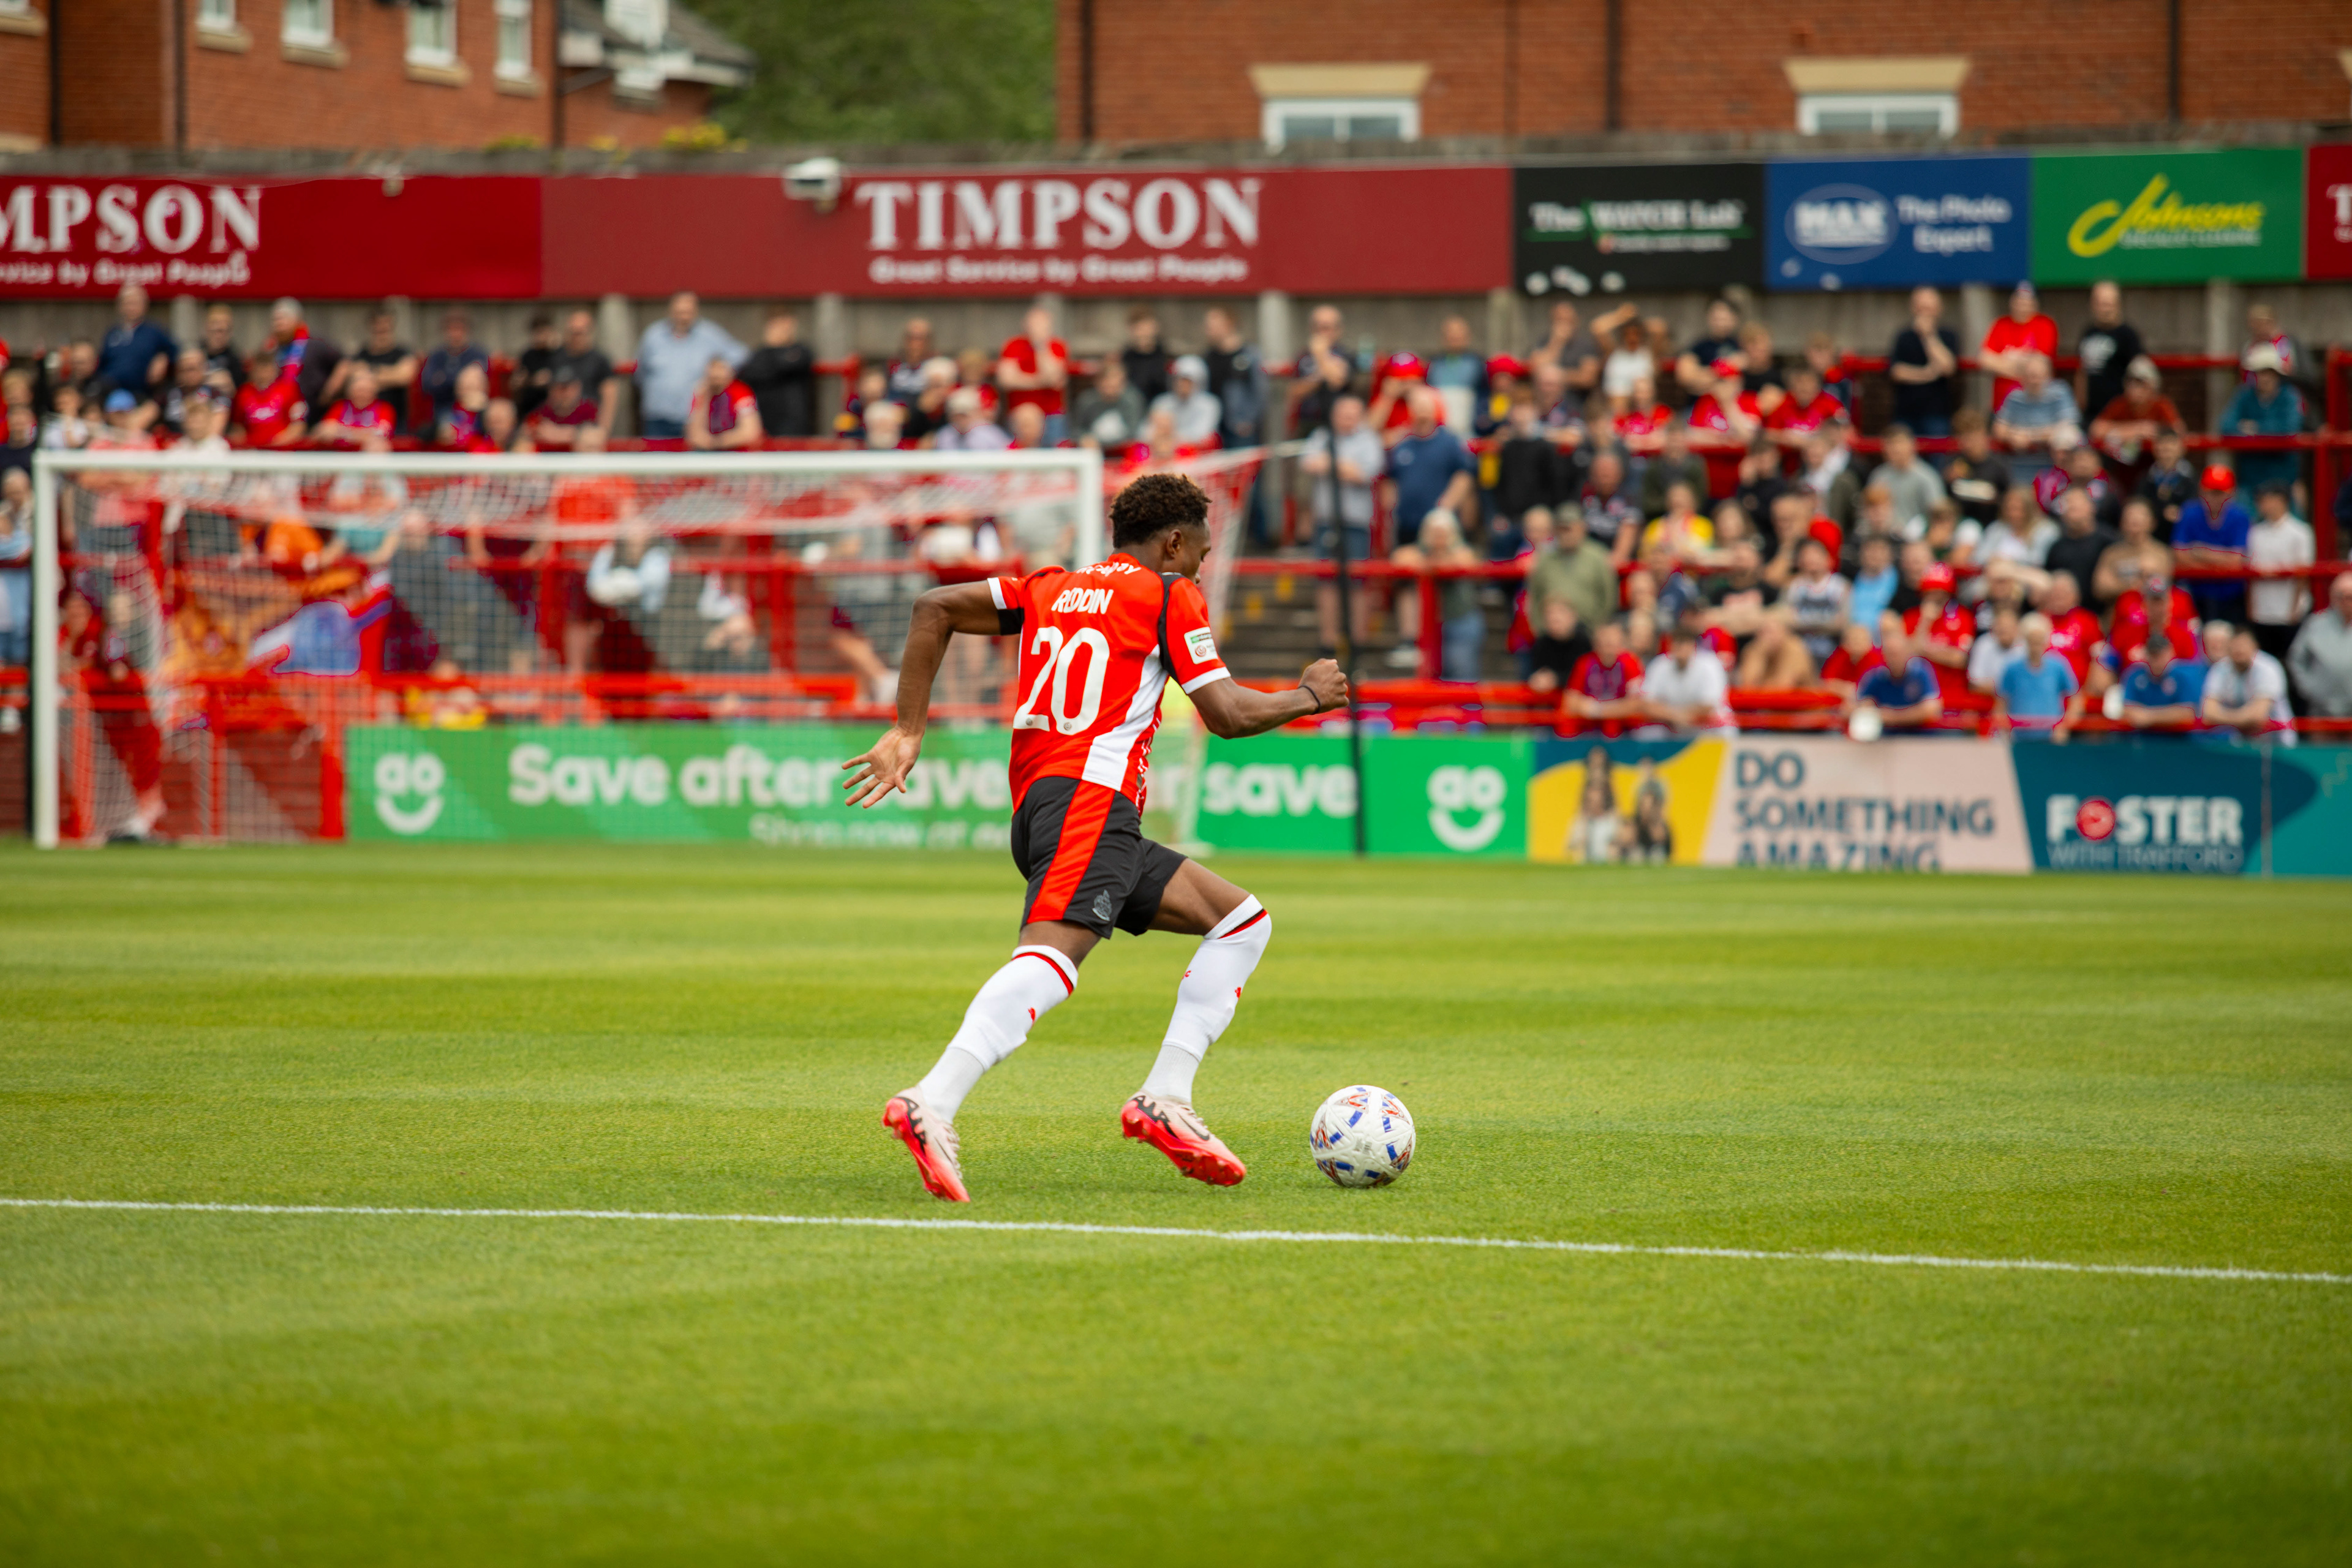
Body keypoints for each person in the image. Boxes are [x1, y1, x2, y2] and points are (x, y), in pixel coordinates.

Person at [846, 473, 1347, 1203]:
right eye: (1201, 552)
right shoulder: (1170, 594)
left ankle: (1166, 1098)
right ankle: (934, 1098)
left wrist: (908, 727)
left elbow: (933, 607)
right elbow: (1228, 714)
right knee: (1051, 961)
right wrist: (1310, 698)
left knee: (1240, 921)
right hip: (1091, 799)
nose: (1202, 566)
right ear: (1173, 542)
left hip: (1045, 805)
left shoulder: (1049, 586)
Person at [1298, 394, 1384, 656]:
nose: (1347, 420)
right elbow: (1308, 463)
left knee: (1358, 582)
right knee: (1326, 582)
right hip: (1327, 521)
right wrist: (1344, 467)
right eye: (1343, 414)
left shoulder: (1369, 440)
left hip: (1357, 522)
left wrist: (1331, 464)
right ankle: (1328, 640)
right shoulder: (1322, 437)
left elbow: (1366, 473)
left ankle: (1358, 640)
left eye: (1352, 414)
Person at [635, 292, 745, 440]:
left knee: (693, 462)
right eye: (680, 312)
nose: (684, 317)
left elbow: (740, 355)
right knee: (657, 461)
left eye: (688, 312)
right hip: (657, 419)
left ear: (695, 312)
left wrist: (718, 376)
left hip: (694, 419)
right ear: (671, 311)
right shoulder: (653, 336)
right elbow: (640, 374)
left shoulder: (709, 335)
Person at [1408, 509, 1487, 680]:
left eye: (1443, 533)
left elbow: (1465, 561)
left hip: (1461, 621)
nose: (1439, 538)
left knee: (1462, 677)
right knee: (1432, 677)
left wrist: (1433, 562)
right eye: (1435, 533)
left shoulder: (1462, 551)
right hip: (1432, 626)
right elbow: (1400, 557)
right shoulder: (1423, 552)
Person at [2220, 346, 2305, 500]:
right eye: (2260, 372)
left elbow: (2289, 429)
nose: (2265, 377)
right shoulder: (2244, 396)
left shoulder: (2290, 397)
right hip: (2250, 481)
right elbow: (2226, 426)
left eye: (2270, 372)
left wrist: (2255, 429)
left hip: (2283, 483)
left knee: (2293, 522)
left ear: (2278, 375)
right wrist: (2265, 432)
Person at [2244, 483, 2315, 668]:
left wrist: (2294, 609)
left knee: (2292, 662)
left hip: (2289, 612)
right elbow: (2250, 572)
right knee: (2264, 661)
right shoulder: (2256, 532)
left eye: (2267, 500)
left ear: (2281, 501)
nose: (2263, 505)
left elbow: (2303, 573)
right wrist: (2251, 606)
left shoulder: (2301, 532)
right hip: (2262, 611)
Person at [2174, 465, 2252, 625]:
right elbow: (2179, 554)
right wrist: (2222, 558)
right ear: (2202, 491)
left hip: (2231, 595)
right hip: (2196, 592)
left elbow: (2237, 560)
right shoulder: (2190, 512)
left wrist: (2201, 552)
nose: (2215, 497)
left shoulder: (2240, 516)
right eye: (2211, 491)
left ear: (2231, 494)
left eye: (2221, 492)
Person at [1526, 505, 1618, 638]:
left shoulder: (1598, 557)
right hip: (1550, 635)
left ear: (1582, 528)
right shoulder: (1545, 559)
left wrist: (1598, 629)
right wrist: (1540, 629)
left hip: (1589, 634)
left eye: (1570, 528)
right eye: (1561, 529)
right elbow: (1535, 597)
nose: (1566, 534)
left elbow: (1609, 597)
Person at [1637, 616, 1735, 736]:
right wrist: (1675, 716)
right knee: (1649, 732)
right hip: (1675, 725)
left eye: (1684, 643)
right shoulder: (1660, 665)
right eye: (1676, 642)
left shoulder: (1710, 664)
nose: (1680, 647)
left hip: (1709, 726)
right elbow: (1646, 703)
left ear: (1693, 645)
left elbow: (1708, 706)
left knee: (1721, 729)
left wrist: (1679, 715)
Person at [2089, 355, 2180, 483]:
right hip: (2124, 471)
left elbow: (2177, 431)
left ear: (2152, 386)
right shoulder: (2120, 404)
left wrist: (2155, 432)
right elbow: (2096, 429)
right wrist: (2135, 429)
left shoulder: (2161, 404)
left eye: (2140, 384)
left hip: (2155, 470)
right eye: (2131, 382)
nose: (2135, 389)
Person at [1992, 612, 2082, 739]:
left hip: (2051, 738)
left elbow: (2076, 700)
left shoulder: (2058, 665)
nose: (2035, 647)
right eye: (2032, 642)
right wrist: (2005, 729)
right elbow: (2001, 704)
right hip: (2019, 738)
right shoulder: (2012, 668)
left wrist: (2064, 726)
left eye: (2039, 642)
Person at [2201, 624, 2294, 744]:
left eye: (2243, 645)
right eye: (2235, 646)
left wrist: (2223, 718)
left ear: (2255, 646)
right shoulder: (2220, 669)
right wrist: (2243, 719)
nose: (2239, 650)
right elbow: (2208, 713)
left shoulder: (2269, 667)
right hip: (2243, 742)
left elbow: (2258, 715)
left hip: (2278, 742)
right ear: (2228, 648)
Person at [1887, 287, 1961, 437]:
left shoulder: (1948, 336)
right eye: (1921, 308)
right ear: (1913, 309)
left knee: (1938, 456)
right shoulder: (1904, 336)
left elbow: (1948, 367)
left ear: (1939, 309)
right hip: (1905, 412)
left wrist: (1928, 336)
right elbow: (1897, 372)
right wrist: (1928, 374)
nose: (1925, 313)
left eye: (1929, 308)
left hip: (1937, 413)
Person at [1991, 353, 2081, 475]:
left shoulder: (2060, 391)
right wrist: (2012, 437)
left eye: (2039, 376)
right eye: (2030, 376)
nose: (2034, 381)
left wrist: (2028, 437)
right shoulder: (2015, 397)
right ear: (2022, 377)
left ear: (2049, 376)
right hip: (2018, 469)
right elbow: (1998, 429)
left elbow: (2067, 428)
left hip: (2054, 472)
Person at [1851, 615, 1942, 729]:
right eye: (1890, 654)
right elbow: (1853, 706)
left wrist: (1893, 717)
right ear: (1884, 655)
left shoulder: (1921, 671)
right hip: (1885, 739)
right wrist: (1866, 709)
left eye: (1897, 654)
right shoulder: (1877, 676)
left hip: (1920, 738)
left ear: (1907, 652)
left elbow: (1932, 709)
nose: (1894, 659)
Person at [998, 304, 1071, 443]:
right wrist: (1041, 381)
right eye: (1033, 323)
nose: (1036, 328)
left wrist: (1040, 346)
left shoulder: (1057, 346)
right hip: (1019, 415)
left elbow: (1054, 379)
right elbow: (1006, 381)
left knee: (1056, 458)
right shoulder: (1013, 345)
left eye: (1041, 324)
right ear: (1025, 324)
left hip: (1051, 415)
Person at [1980, 281, 2058, 412]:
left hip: (2036, 404)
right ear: (2012, 302)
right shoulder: (2001, 324)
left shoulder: (2045, 325)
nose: (2022, 306)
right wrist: (2024, 363)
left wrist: (2004, 360)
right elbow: (1985, 360)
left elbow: (2040, 365)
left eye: (2027, 302)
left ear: (2036, 304)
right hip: (2003, 405)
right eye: (2019, 301)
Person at [737, 309, 816, 439]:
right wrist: (772, 349)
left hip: (796, 427)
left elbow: (794, 363)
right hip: (766, 425)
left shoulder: (802, 350)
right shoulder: (760, 354)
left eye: (787, 325)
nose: (784, 330)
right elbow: (752, 372)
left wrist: (773, 365)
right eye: (779, 325)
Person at [1902, 563, 1974, 703]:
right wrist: (1924, 623)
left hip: (1952, 694)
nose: (1935, 595)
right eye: (1931, 590)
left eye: (1940, 591)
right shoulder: (1911, 617)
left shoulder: (1963, 617)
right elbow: (1905, 657)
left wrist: (1923, 649)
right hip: (1915, 694)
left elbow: (1959, 659)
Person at [2073, 281, 2144, 423]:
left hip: (2120, 415)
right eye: (2102, 304)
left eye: (2109, 304)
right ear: (2093, 305)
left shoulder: (2128, 335)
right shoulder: (2088, 333)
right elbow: (2081, 372)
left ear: (2118, 305)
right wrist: (2079, 404)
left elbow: (2140, 375)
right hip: (2091, 413)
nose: (2106, 309)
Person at [1200, 306, 1268, 453]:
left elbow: (1261, 390)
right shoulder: (1208, 357)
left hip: (1239, 428)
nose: (1208, 331)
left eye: (1212, 327)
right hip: (1214, 427)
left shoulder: (1249, 355)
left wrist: (1249, 421)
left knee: (1244, 473)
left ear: (1228, 325)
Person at [2286, 571, 2352, 718]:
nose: (2346, 602)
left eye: (2351, 597)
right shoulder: (2315, 624)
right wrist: (2309, 690)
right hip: (2321, 711)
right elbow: (2296, 660)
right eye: (2342, 596)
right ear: (2333, 597)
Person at [98, 283, 176, 404]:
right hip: (111, 393)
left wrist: (163, 358)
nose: (131, 308)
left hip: (143, 393)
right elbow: (102, 363)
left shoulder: (154, 331)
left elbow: (175, 352)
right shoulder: (112, 333)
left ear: (145, 306)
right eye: (127, 303)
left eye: (135, 303)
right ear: (120, 306)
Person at [1564, 619, 1645, 737]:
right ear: (1596, 642)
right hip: (1589, 729)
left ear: (1621, 641)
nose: (1608, 640)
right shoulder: (1584, 663)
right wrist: (1615, 709)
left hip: (1624, 730)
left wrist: (1598, 710)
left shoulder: (1631, 662)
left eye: (1612, 637)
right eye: (1605, 637)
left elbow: (1636, 704)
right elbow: (1570, 702)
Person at [552, 310, 622, 440]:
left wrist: (604, 429)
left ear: (590, 333)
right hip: (558, 425)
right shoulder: (556, 357)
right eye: (572, 332)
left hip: (588, 428)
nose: (576, 337)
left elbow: (610, 395)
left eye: (580, 333)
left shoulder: (600, 360)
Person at [2044, 487, 2117, 610]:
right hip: (2067, 616)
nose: (2073, 510)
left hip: (2103, 612)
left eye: (2078, 506)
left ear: (2092, 507)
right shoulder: (2057, 547)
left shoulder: (2110, 542)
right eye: (2069, 506)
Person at [2118, 627, 2205, 731]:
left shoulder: (2182, 677)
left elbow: (2188, 712)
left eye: (2161, 655)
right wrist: (2167, 715)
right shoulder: (2134, 676)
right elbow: (2126, 709)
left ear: (2170, 653)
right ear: (2146, 655)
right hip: (2143, 737)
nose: (2157, 660)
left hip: (2176, 739)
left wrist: (2148, 716)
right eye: (2153, 655)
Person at [351, 307, 421, 435]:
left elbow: (405, 377)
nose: (382, 333)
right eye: (378, 330)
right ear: (371, 329)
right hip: (365, 419)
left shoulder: (403, 352)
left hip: (397, 419)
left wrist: (370, 374)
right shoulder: (362, 353)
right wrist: (391, 374)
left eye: (386, 330)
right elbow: (356, 378)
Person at [1940, 408, 2011, 530]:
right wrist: (1947, 480)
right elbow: (1942, 499)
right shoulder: (1952, 463)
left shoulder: (1999, 466)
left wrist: (1995, 500)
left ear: (1984, 435)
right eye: (1964, 438)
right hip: (1958, 526)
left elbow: (2008, 500)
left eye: (1972, 438)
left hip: (1991, 525)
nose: (1968, 444)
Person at [418, 311, 488, 431]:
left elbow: (480, 385)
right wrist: (461, 379)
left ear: (467, 331)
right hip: (444, 409)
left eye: (460, 330)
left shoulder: (477, 354)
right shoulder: (437, 356)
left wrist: (444, 379)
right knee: (445, 428)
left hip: (473, 409)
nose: (456, 334)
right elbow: (428, 384)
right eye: (451, 330)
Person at [1870, 424, 1946, 533]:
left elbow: (1938, 517)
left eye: (1900, 443)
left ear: (1912, 445)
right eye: (1891, 444)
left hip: (1917, 539)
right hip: (1885, 538)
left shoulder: (1927, 477)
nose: (1896, 448)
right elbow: (1868, 512)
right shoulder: (1879, 476)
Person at [686, 355, 764, 451]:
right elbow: (694, 434)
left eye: (721, 369)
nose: (717, 375)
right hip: (711, 451)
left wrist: (718, 442)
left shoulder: (741, 392)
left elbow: (751, 432)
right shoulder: (702, 392)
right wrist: (703, 399)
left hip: (739, 452)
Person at [2137, 428, 2198, 543]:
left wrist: (2182, 513)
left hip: (2183, 539)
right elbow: (2140, 503)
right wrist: (2159, 511)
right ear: (2155, 449)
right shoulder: (2146, 479)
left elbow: (2196, 506)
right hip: (2152, 538)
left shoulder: (2191, 478)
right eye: (2162, 444)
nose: (2166, 450)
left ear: (2181, 448)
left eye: (2170, 444)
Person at [1532, 299, 1602, 393]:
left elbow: (1588, 378)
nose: (1564, 325)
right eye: (1559, 321)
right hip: (1548, 402)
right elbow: (1536, 370)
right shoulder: (1545, 342)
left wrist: (1556, 376)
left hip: (1575, 403)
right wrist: (1556, 343)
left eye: (1568, 321)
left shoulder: (1586, 345)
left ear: (1576, 321)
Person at [1074, 358, 1145, 450]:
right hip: (1092, 451)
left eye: (1115, 386)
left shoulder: (1132, 400)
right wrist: (1083, 438)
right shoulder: (1086, 401)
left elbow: (1134, 432)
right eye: (1107, 386)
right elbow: (1075, 429)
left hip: (1124, 451)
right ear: (1098, 383)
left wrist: (1104, 444)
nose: (1111, 391)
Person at [1524, 596, 1593, 692]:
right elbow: (1535, 673)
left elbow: (1590, 677)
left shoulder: (1587, 643)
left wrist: (1557, 680)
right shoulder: (1541, 643)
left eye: (1561, 612)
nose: (1554, 617)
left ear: (1573, 616)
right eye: (1549, 613)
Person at [1152, 355, 1221, 447]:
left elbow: (1202, 434)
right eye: (1179, 380)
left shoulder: (1210, 405)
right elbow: (1146, 431)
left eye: (1187, 381)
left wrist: (1170, 435)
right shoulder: (1162, 403)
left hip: (1198, 455)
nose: (1182, 385)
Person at [1735, 611, 1814, 692]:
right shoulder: (1754, 649)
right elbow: (1747, 686)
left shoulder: (1795, 648)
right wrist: (1761, 655)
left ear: (1785, 632)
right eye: (1764, 632)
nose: (1768, 637)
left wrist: (1761, 687)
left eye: (1772, 632)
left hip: (1798, 702)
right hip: (1764, 701)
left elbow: (1784, 687)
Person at [527, 370, 600, 449]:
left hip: (576, 458)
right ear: (552, 390)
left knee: (590, 440)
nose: (566, 394)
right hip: (546, 457)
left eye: (570, 388)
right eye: (561, 389)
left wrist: (558, 434)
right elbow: (529, 432)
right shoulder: (542, 411)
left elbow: (595, 434)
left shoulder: (588, 409)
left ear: (578, 388)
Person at [1968, 603, 2026, 695]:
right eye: (2001, 627)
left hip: (2017, 702)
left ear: (2017, 628)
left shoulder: (2025, 647)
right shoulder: (1983, 643)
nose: (2004, 630)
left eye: (2008, 627)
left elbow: (2027, 685)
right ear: (1993, 627)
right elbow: (1975, 683)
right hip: (1987, 700)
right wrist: (2007, 689)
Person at [511, 312, 560, 421]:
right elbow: (517, 382)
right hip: (529, 407)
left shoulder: (558, 354)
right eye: (539, 333)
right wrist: (526, 381)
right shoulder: (528, 355)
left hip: (552, 408)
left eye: (545, 332)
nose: (542, 337)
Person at [1119, 306, 1170, 405]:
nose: (1143, 333)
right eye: (1139, 328)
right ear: (1131, 330)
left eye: (1147, 327)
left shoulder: (1165, 357)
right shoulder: (1124, 360)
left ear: (1155, 328)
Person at [1820, 619, 1885, 698]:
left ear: (1870, 643)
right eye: (1853, 639)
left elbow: (1870, 689)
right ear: (1845, 643)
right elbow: (1826, 682)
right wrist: (1847, 689)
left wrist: (1843, 688)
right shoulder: (1841, 655)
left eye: (1861, 640)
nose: (1856, 643)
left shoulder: (1876, 658)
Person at [935, 387, 1011, 453]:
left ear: (974, 413)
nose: (960, 420)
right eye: (956, 416)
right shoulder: (944, 435)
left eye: (964, 416)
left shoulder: (991, 433)